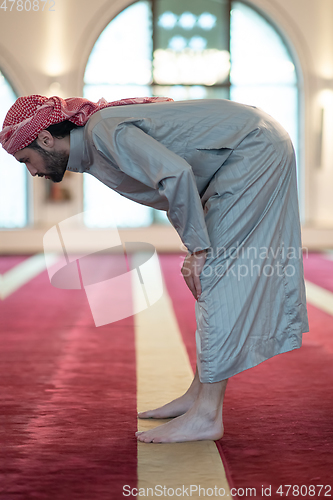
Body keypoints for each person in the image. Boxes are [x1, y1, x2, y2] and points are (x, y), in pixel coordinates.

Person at [0, 94, 309, 444]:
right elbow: (176, 179)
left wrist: (198, 249)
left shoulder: (102, 133)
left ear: (45, 139)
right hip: (247, 149)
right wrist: (197, 242)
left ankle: (207, 416)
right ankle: (198, 395)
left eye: (27, 160)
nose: (33, 171)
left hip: (254, 150)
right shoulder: (97, 144)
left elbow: (175, 175)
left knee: (214, 276)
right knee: (211, 275)